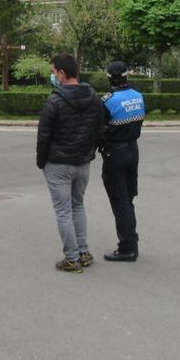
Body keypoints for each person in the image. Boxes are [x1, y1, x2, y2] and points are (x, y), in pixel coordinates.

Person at [36, 53, 104, 274]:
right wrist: (89, 153)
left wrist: (41, 162)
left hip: (58, 164)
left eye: (53, 72)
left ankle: (71, 258)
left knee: (63, 211)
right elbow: (99, 131)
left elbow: (44, 136)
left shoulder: (54, 101)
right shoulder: (94, 98)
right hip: (82, 163)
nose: (53, 76)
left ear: (62, 74)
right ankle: (83, 252)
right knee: (78, 205)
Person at [99, 61, 145, 262]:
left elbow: (99, 130)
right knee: (128, 198)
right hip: (133, 151)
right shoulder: (138, 96)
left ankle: (127, 247)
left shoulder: (108, 101)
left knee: (120, 201)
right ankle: (131, 240)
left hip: (115, 155)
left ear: (109, 77)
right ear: (127, 76)